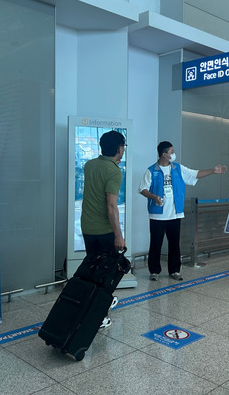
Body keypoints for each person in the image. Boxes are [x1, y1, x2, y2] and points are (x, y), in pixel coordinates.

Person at [138, 141, 226, 281]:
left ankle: (175, 270)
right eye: (171, 152)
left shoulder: (177, 168)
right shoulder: (151, 170)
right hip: (157, 214)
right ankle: (154, 271)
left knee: (174, 243)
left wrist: (212, 171)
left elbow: (195, 174)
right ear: (164, 154)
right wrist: (154, 197)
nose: (173, 154)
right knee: (156, 243)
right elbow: (142, 189)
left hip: (175, 213)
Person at [80, 130, 126, 328]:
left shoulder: (89, 165)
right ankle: (99, 315)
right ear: (119, 149)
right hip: (104, 231)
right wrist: (119, 235)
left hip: (87, 227)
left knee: (93, 270)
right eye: (123, 146)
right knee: (106, 275)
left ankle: (99, 303)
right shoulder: (114, 172)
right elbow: (111, 206)